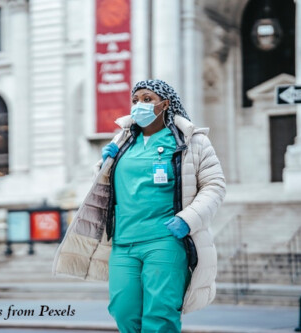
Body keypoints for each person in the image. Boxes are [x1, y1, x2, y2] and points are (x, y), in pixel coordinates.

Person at [52, 79, 226, 333]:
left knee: (160, 315)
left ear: (165, 104)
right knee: (123, 311)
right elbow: (107, 188)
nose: (138, 106)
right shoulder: (123, 141)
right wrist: (102, 166)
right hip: (123, 243)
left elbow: (215, 185)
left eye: (147, 99)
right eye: (135, 101)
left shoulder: (192, 142)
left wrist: (188, 219)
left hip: (165, 241)